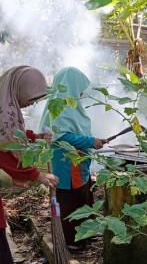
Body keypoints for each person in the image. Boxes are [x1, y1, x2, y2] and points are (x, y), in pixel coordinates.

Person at [39, 67, 108, 252]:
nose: (82, 92)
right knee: (70, 201)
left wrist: (91, 142)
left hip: (77, 162)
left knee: (84, 196)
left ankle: (87, 232)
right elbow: (61, 137)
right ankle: (72, 240)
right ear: (72, 85)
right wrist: (91, 141)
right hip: (67, 164)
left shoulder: (70, 104)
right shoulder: (60, 105)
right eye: (80, 87)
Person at [0, 66, 59, 264]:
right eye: (31, 97)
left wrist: (36, 136)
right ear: (18, 88)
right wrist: (36, 174)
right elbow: (4, 147)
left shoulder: (4, 111)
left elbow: (11, 133)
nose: (32, 103)